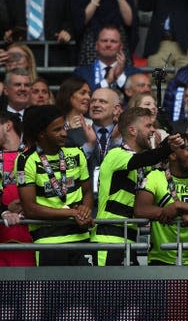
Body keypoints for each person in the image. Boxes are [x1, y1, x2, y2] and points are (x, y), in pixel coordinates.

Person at [91, 107, 185, 266]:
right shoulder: (116, 155)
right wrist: (167, 147)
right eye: (148, 126)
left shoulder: (146, 166)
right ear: (132, 130)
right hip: (108, 240)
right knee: (105, 291)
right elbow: (142, 160)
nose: (153, 130)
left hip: (131, 239)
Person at [16, 105, 94, 266]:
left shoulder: (77, 154)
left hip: (82, 238)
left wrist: (85, 210)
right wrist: (72, 213)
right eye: (57, 130)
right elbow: (30, 208)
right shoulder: (26, 160)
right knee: (54, 292)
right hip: (48, 240)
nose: (65, 133)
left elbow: (87, 192)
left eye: (64, 127)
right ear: (42, 134)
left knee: (87, 291)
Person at [135, 133, 188, 265]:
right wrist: (183, 215)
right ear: (172, 155)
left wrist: (179, 207)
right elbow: (140, 210)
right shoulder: (154, 176)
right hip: (160, 260)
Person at [0, 112, 35, 266]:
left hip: (33, 239)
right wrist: (5, 209)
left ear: (7, 125)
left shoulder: (35, 155)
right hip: (2, 238)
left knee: (33, 290)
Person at [73, 26, 142, 92]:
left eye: (113, 41)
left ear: (121, 46)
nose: (108, 45)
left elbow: (138, 97)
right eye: (104, 41)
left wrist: (120, 76)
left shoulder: (136, 73)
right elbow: (82, 97)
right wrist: (107, 81)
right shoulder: (81, 73)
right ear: (96, 45)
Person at [86, 87, 123, 172]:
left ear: (116, 109)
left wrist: (116, 141)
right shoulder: (75, 134)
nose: (95, 105)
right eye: (93, 101)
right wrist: (89, 146)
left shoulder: (126, 134)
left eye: (102, 101)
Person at [55, 77, 95, 149]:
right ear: (68, 95)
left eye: (89, 94)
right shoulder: (55, 123)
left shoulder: (92, 124)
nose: (88, 97)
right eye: (82, 93)